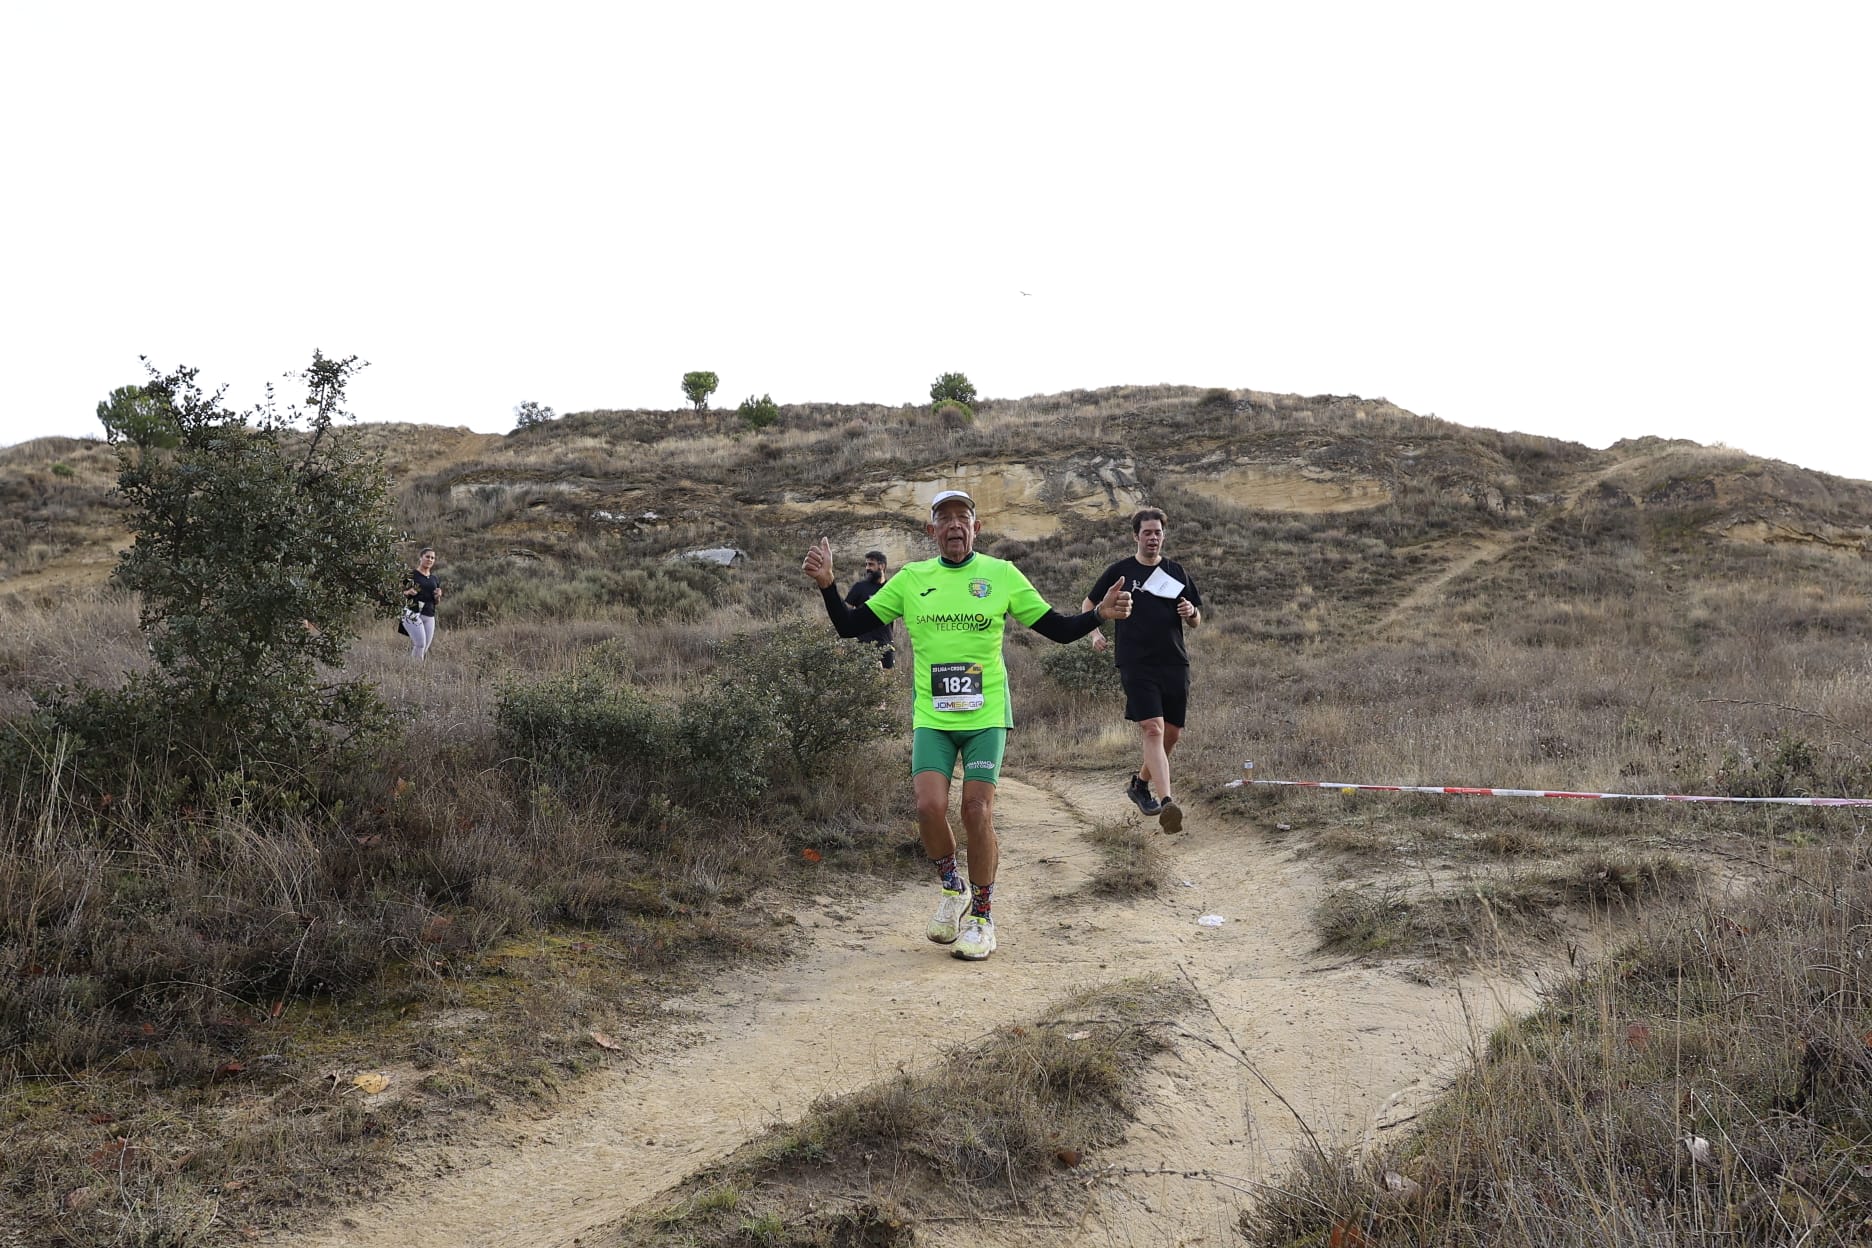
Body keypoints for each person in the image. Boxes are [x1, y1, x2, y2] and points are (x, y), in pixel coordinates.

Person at [802, 489, 1131, 962]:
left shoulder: (1001, 575)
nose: (955, 525)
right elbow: (851, 627)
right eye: (945, 518)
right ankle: (952, 888)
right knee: (928, 807)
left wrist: (1097, 614)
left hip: (986, 716)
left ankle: (982, 916)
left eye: (964, 517)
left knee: (976, 810)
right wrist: (828, 585)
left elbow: (1056, 628)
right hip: (933, 718)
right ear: (930, 530)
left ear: (977, 528)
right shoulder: (912, 578)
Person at [1082, 507, 1202, 833]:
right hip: (1135, 661)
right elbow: (1089, 604)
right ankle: (1167, 803)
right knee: (1153, 728)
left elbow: (1195, 619)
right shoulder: (1120, 571)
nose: (1153, 538)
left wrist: (1191, 611)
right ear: (1136, 535)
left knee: (1172, 735)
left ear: (1164, 535)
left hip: (1174, 661)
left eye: (1158, 533)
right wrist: (1095, 634)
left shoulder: (1176, 572)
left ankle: (1140, 784)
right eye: (1147, 532)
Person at [843, 550, 896, 668]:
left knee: (887, 684)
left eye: (871, 564)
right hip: (863, 647)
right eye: (866, 564)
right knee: (865, 684)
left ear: (882, 566)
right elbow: (845, 614)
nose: (867, 568)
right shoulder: (859, 587)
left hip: (885, 646)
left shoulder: (891, 588)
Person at [402, 547, 443, 660]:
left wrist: (438, 596)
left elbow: (436, 602)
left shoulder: (434, 578)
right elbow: (397, 594)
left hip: (429, 614)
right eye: (427, 557)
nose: (430, 559)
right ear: (421, 558)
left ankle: (413, 670)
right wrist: (408, 592)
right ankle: (415, 672)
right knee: (420, 644)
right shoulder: (411, 575)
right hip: (412, 612)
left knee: (424, 648)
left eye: (432, 558)